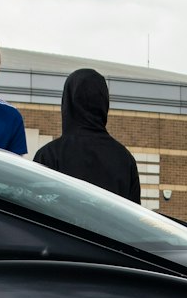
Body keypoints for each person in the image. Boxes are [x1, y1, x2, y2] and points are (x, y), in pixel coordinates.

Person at [33, 68, 140, 201]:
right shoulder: (125, 160)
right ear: (104, 102)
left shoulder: (49, 156)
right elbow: (133, 217)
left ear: (68, 102)